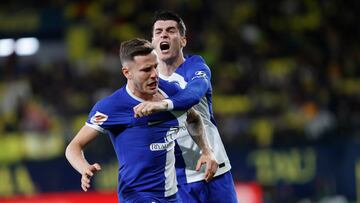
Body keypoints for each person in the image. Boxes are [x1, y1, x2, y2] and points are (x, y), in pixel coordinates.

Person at [65, 38, 218, 203]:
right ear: (127, 72)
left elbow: (193, 118)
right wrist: (84, 168)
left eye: (155, 66)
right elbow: (74, 146)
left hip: (172, 197)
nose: (154, 75)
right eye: (146, 70)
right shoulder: (112, 106)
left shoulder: (170, 93)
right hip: (137, 197)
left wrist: (206, 150)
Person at [133, 11, 238, 202]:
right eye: (158, 32)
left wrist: (163, 104)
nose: (163, 35)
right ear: (152, 43)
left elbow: (194, 94)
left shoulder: (195, 66)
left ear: (183, 41)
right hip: (179, 180)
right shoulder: (144, 84)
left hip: (216, 169)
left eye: (170, 30)